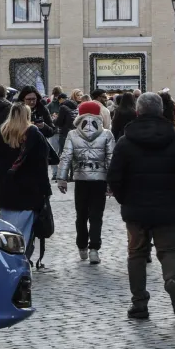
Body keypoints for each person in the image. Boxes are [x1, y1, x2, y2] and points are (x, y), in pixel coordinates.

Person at [107, 93, 175, 320]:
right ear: (161, 111)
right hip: (165, 205)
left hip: (135, 207)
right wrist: (173, 193)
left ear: (138, 112)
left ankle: (139, 303)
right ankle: (172, 279)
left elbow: (114, 177)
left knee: (137, 254)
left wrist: (125, 198)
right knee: (168, 250)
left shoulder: (125, 142)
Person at [0, 103, 50, 248]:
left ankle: (8, 256)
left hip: (6, 188)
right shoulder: (34, 134)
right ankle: (20, 257)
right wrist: (46, 190)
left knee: (7, 231)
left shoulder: (2, 133)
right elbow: (42, 165)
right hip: (29, 189)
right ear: (27, 115)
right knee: (23, 233)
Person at [57, 102, 115, 264]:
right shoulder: (107, 134)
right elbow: (111, 159)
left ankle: (82, 246)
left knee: (81, 215)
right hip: (100, 180)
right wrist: (112, 182)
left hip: (81, 179)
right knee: (96, 215)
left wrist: (62, 178)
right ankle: (94, 249)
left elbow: (66, 157)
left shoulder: (72, 134)